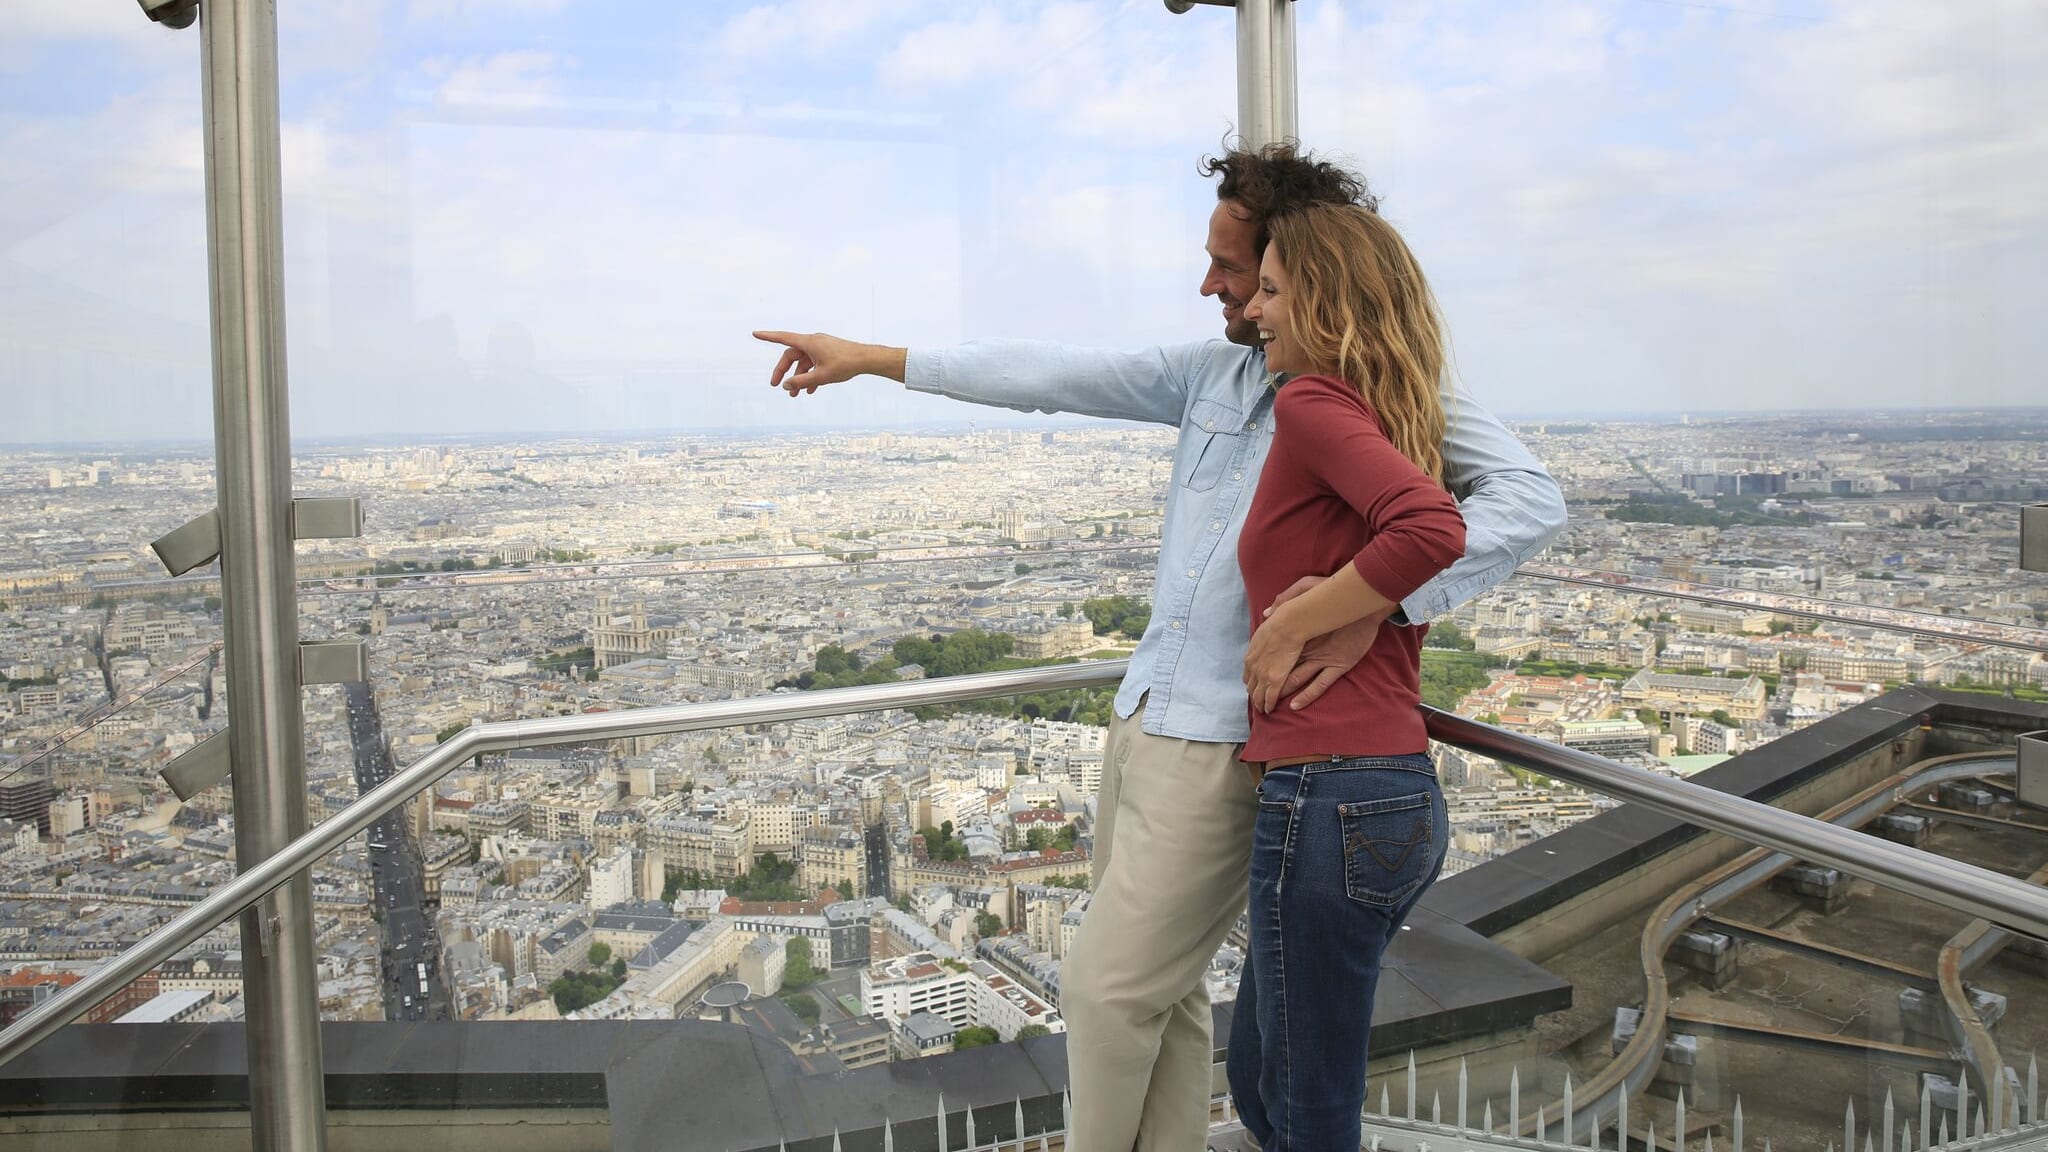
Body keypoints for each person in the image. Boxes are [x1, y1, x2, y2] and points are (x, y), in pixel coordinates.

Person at [754, 143, 1565, 1152]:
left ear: (1295, 271)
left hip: (1230, 737)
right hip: (1144, 715)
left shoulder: (1380, 392)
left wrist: (1369, 605)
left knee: (1105, 988)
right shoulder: (1213, 379)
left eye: (1235, 269)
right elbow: (1053, 373)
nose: (1213, 286)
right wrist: (874, 356)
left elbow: (1524, 502)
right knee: (1163, 990)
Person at [1230, 201, 1463, 1151]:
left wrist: (1295, 621)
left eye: (1274, 290)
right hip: (1387, 797)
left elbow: (1433, 530)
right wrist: (1358, 607)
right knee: (1262, 1072)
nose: (1254, 312)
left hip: (1328, 802)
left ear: (1322, 302)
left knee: (1306, 1105)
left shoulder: (1314, 402)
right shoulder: (1396, 411)